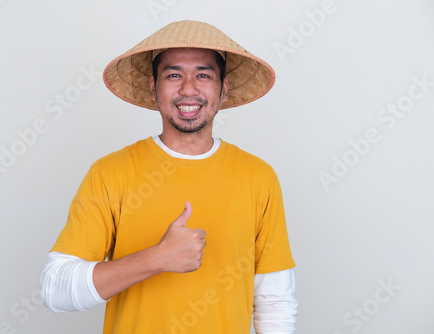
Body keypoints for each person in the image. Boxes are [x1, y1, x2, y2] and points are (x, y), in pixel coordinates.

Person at [41, 20, 297, 333]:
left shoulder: (258, 177)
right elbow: (55, 290)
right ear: (153, 87)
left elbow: (275, 302)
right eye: (173, 74)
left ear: (224, 88)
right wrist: (156, 258)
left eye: (203, 75)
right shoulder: (111, 172)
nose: (188, 88)